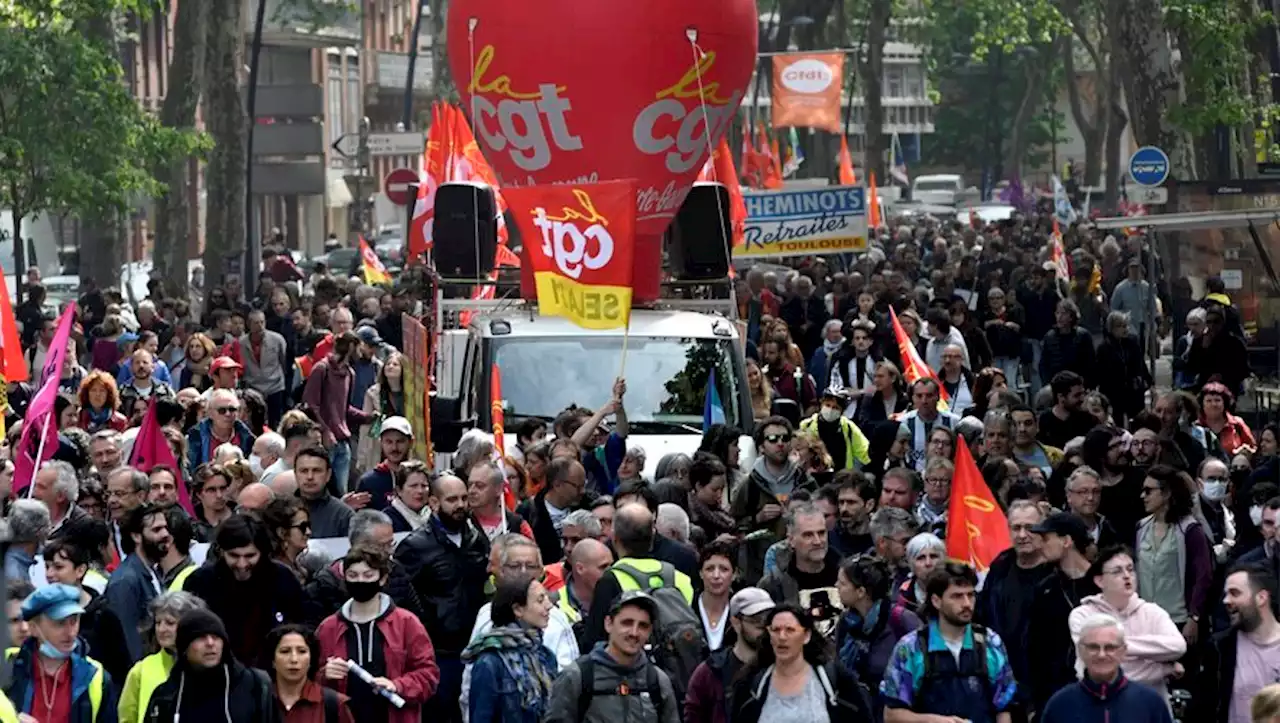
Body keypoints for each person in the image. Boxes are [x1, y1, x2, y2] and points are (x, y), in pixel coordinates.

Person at [392, 472, 490, 723]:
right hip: (439, 651)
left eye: (464, 498)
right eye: (452, 500)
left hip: (477, 644)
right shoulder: (415, 546)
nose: (461, 505)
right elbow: (401, 598)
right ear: (434, 503)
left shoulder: (476, 540)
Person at [880, 563, 1019, 723]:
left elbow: (1003, 708)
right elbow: (891, 715)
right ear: (936, 601)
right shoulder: (911, 648)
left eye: (970, 595)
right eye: (957, 596)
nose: (967, 603)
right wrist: (933, 721)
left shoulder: (990, 642)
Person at [316, 547, 439, 723]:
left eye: (368, 575)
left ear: (382, 578)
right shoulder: (328, 628)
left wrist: (397, 685)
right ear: (344, 577)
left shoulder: (407, 623)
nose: (360, 581)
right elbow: (309, 680)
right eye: (353, 575)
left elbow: (428, 675)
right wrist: (324, 674)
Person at [182, 513, 305, 664]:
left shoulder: (282, 579)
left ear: (262, 552)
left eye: (250, 556)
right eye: (234, 556)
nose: (242, 564)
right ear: (221, 552)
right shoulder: (201, 582)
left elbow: (300, 627)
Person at [1068, 545, 1186, 700]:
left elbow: (1178, 646)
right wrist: (1164, 669)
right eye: (1117, 571)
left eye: (1130, 569)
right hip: (1101, 703)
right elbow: (1101, 671)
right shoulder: (1083, 615)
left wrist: (1112, 647)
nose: (1126, 576)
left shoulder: (1153, 612)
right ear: (1100, 580)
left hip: (1150, 705)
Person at [543, 591, 680, 723]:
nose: (634, 632)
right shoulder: (578, 676)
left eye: (643, 626)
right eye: (627, 623)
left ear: (649, 632)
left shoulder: (657, 681)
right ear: (608, 624)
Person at [731, 603, 873, 723]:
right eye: (775, 630)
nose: (782, 637)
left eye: (790, 630)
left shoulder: (836, 681)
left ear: (806, 636)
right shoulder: (751, 686)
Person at [5, 584, 117, 723]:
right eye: (60, 623)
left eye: (74, 621)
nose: (70, 633)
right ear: (34, 628)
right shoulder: (8, 667)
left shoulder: (95, 676)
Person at [143, 608, 279, 723]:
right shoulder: (166, 696)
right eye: (200, 637)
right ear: (185, 647)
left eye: (216, 637)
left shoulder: (254, 685)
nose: (210, 643)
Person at [1027, 512, 1100, 715]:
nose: (1041, 545)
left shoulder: (1102, 584)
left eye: (1047, 538)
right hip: (1056, 691)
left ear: (1067, 541)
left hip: (1099, 686)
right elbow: (1035, 648)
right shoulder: (1045, 588)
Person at [1041, 614, 1173, 723]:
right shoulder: (1060, 705)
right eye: (1093, 647)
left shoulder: (1150, 703)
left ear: (1123, 651)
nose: (1102, 655)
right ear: (1080, 651)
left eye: (1110, 647)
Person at [464, 575, 559, 723]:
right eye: (540, 600)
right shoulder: (490, 663)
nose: (549, 605)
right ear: (518, 609)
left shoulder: (545, 656)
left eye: (547, 598)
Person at [41, 539, 132, 686]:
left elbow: (121, 671)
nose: (50, 574)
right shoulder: (41, 615)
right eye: (47, 567)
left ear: (80, 570)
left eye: (58, 567)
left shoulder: (104, 617)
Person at [1202, 563, 1280, 723]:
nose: (1226, 601)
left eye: (1234, 593)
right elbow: (1204, 708)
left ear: (1261, 598)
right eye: (1225, 594)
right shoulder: (1219, 649)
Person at [835, 555, 920, 700]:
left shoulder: (901, 621)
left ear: (860, 592)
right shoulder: (846, 622)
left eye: (842, 583)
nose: (836, 585)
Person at [684, 588, 774, 723]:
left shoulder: (780, 668)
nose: (764, 627)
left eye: (769, 620)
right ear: (736, 622)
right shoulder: (710, 672)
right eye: (756, 620)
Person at [759, 501, 844, 640]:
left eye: (821, 533)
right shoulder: (774, 584)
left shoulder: (847, 574)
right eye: (808, 535)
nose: (818, 541)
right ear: (791, 539)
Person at [117, 592, 207, 723]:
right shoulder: (141, 670)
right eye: (158, 623)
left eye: (170, 623)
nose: (161, 629)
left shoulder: (207, 667)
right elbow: (126, 718)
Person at [103, 502, 167, 662]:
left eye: (165, 528)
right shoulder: (125, 581)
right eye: (157, 530)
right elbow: (127, 642)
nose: (166, 534)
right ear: (136, 536)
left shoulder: (153, 571)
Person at [266, 624, 355, 723]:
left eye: (302, 651)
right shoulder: (257, 701)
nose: (294, 659)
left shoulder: (334, 704)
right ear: (273, 660)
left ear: (311, 660)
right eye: (285, 651)